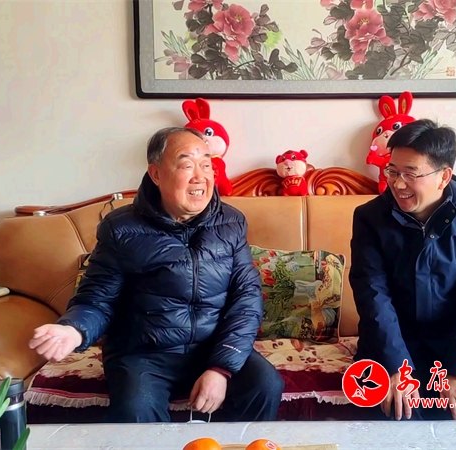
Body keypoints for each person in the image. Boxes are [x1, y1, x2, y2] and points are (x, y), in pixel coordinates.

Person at [25, 127, 285, 423]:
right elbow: (97, 299)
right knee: (136, 410)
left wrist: (220, 368)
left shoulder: (231, 223)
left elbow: (246, 298)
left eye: (206, 165)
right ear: (156, 174)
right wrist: (74, 329)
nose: (200, 176)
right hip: (143, 353)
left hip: (211, 346)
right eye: (187, 165)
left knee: (265, 385)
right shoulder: (121, 229)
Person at [349, 119, 456, 421]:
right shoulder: (370, 218)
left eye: (410, 174)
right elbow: (373, 296)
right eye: (393, 171)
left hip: (455, 347)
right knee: (394, 418)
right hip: (390, 346)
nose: (398, 184)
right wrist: (396, 367)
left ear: (444, 176)